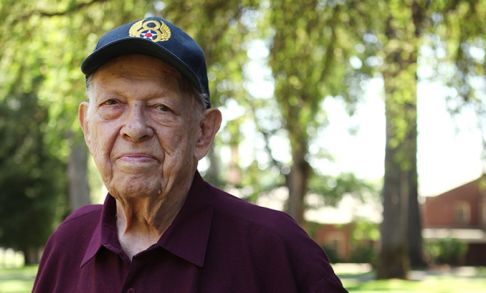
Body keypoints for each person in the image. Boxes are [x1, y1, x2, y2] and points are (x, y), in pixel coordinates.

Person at [33, 16, 347, 293]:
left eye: (161, 107)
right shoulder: (68, 243)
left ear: (204, 131)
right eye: (113, 103)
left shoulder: (276, 249)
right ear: (87, 126)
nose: (135, 128)